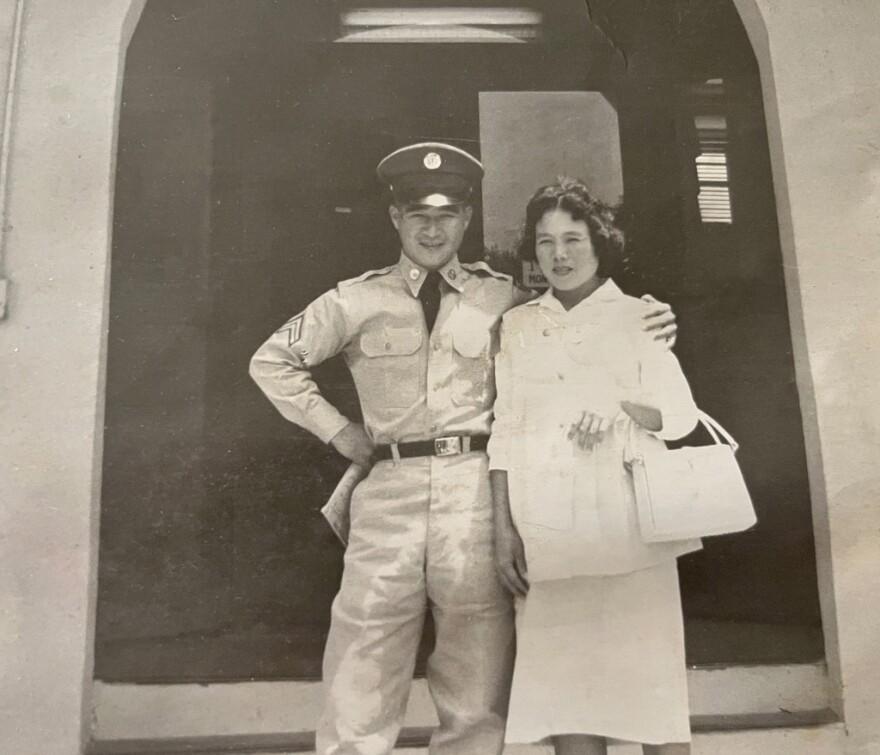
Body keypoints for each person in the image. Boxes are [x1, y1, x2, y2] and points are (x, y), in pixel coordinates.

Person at [249, 145, 678, 755]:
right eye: (417, 213)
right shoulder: (354, 300)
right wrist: (340, 432)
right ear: (394, 217)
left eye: (447, 214)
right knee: (363, 661)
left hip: (475, 497)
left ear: (468, 219)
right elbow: (273, 360)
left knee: (476, 679)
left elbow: (577, 323)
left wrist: (653, 319)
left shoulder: (504, 299)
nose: (432, 228)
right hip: (389, 495)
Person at [489, 178, 700, 755]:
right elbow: (505, 427)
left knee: (651, 702)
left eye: (573, 239)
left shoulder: (640, 316)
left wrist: (618, 404)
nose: (559, 255)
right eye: (546, 241)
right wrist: (503, 528)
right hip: (549, 531)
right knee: (568, 700)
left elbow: (680, 417)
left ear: (599, 243)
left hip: (630, 527)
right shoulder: (519, 326)